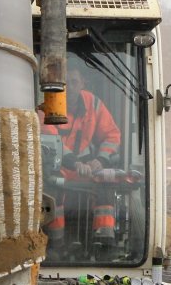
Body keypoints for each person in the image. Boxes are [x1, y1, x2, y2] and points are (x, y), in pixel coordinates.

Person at [42, 69, 123, 250]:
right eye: (64, 83)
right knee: (50, 190)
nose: (69, 87)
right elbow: (52, 143)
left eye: (74, 81)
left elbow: (112, 135)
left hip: (86, 168)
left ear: (82, 83)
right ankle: (56, 245)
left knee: (106, 185)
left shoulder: (93, 104)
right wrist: (76, 163)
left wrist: (100, 160)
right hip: (55, 167)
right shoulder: (46, 107)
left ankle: (104, 244)